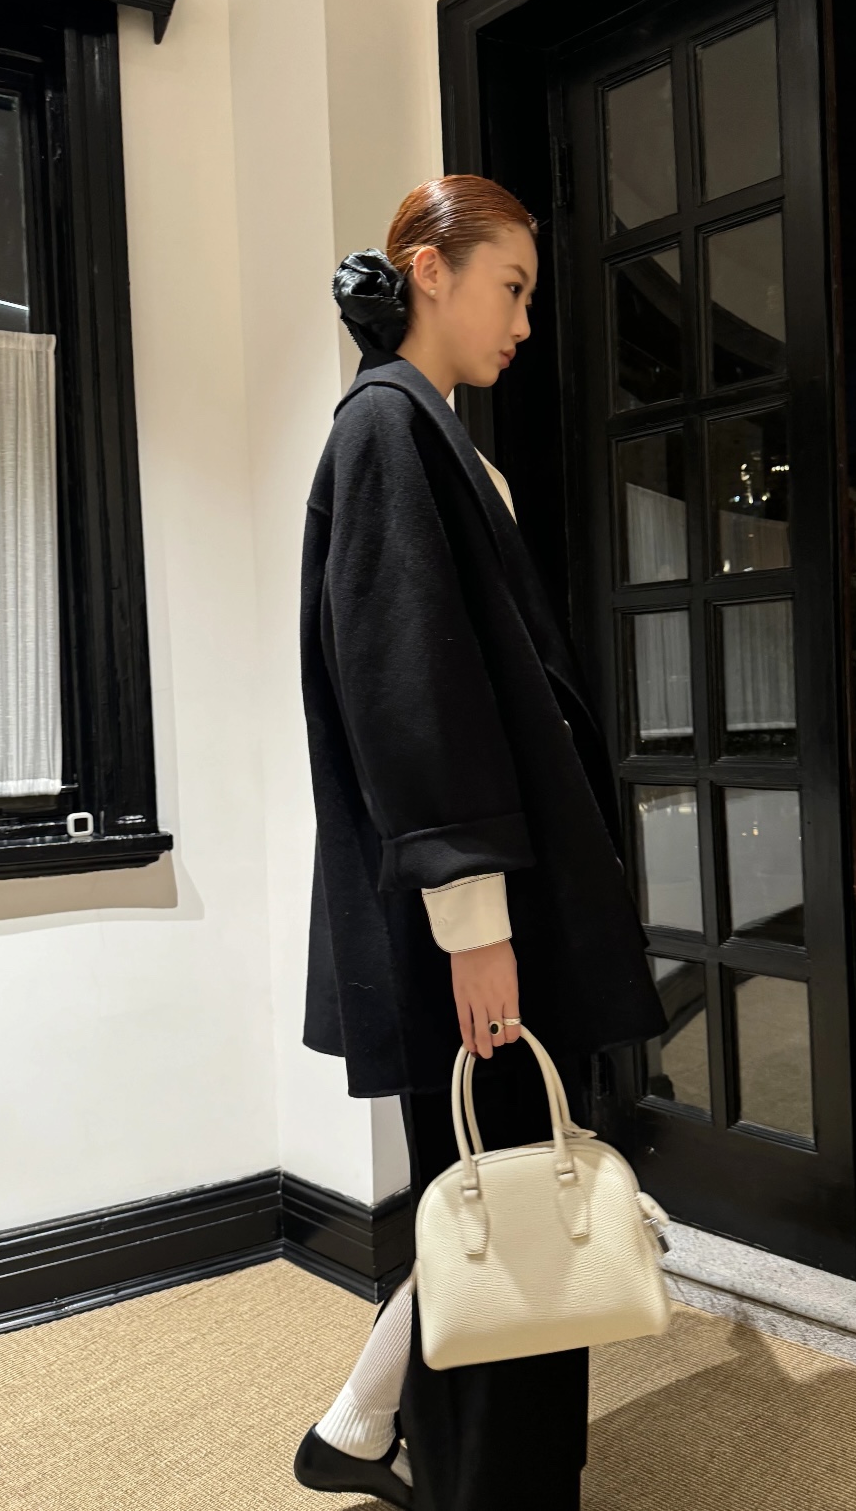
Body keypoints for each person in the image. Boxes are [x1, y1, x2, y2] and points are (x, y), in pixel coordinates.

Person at [291, 175, 667, 1511]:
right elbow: (411, 691)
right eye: (509, 287)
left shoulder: (426, 433)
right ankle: (474, 1478)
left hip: (495, 898)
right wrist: (472, 917)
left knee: (498, 1187)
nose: (522, 321)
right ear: (429, 271)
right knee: (506, 1199)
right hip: (473, 911)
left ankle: (372, 1431)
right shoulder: (388, 428)